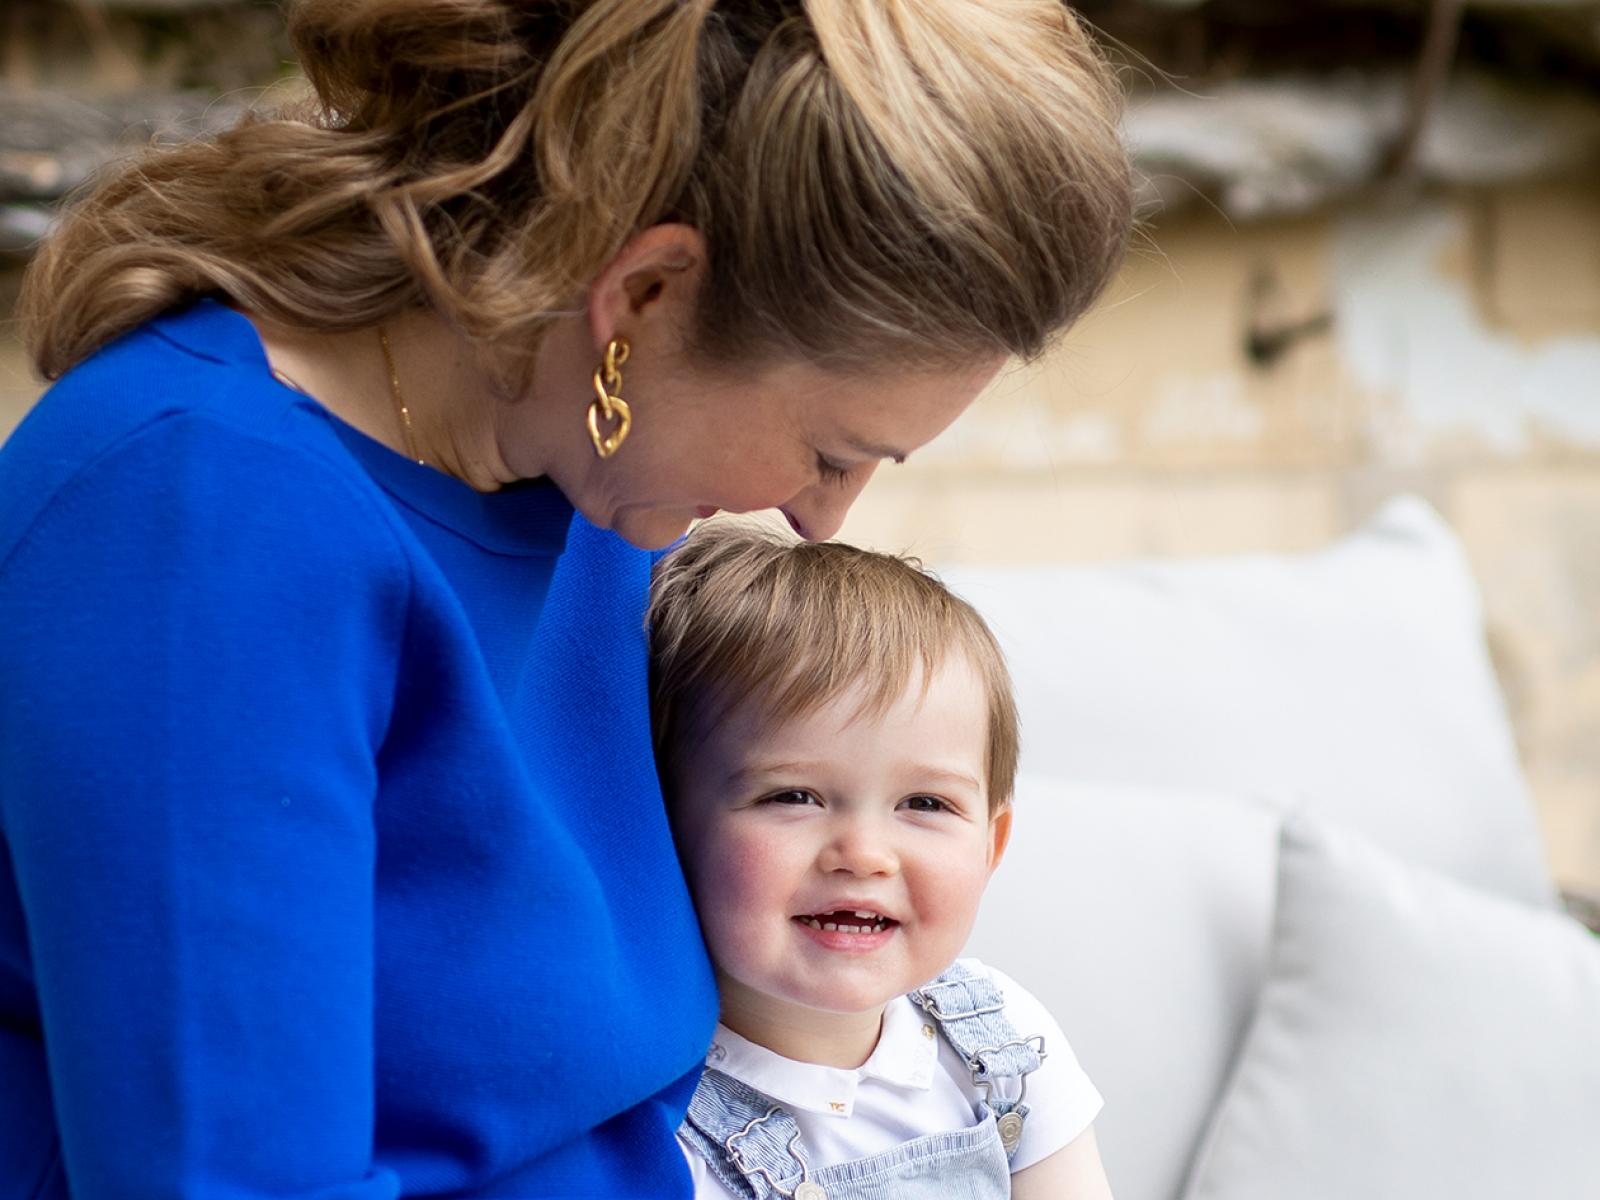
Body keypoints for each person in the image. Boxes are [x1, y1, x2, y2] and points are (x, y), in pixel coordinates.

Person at [0, 1, 1130, 1196]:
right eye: (828, 447)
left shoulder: (591, 475)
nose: (821, 517)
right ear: (643, 298)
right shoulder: (199, 525)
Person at [648, 524, 1114, 1200]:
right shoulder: (660, 1133)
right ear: (665, 825)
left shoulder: (1007, 1047)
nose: (863, 855)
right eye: (793, 796)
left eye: (924, 802)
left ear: (993, 845)